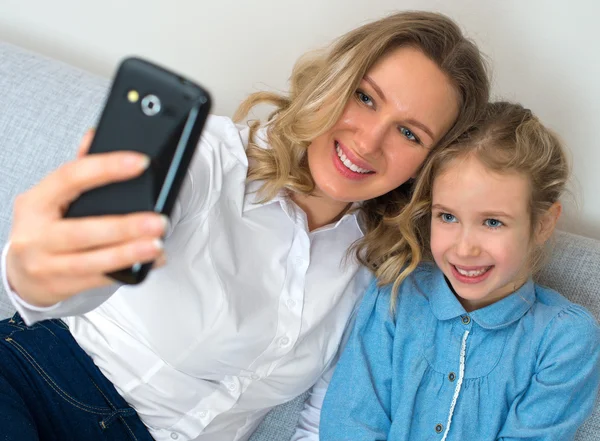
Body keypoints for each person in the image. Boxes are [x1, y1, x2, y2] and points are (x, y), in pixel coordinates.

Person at [0, 11, 489, 441]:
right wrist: (39, 274)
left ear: (429, 164)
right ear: (333, 81)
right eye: (364, 97)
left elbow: (325, 419)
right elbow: (72, 278)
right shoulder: (211, 158)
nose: (368, 140)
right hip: (41, 380)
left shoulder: (380, 262)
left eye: (409, 132)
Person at [319, 101, 600, 441]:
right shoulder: (395, 296)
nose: (465, 249)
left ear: (542, 224)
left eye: (492, 222)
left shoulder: (564, 338)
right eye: (447, 217)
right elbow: (350, 422)